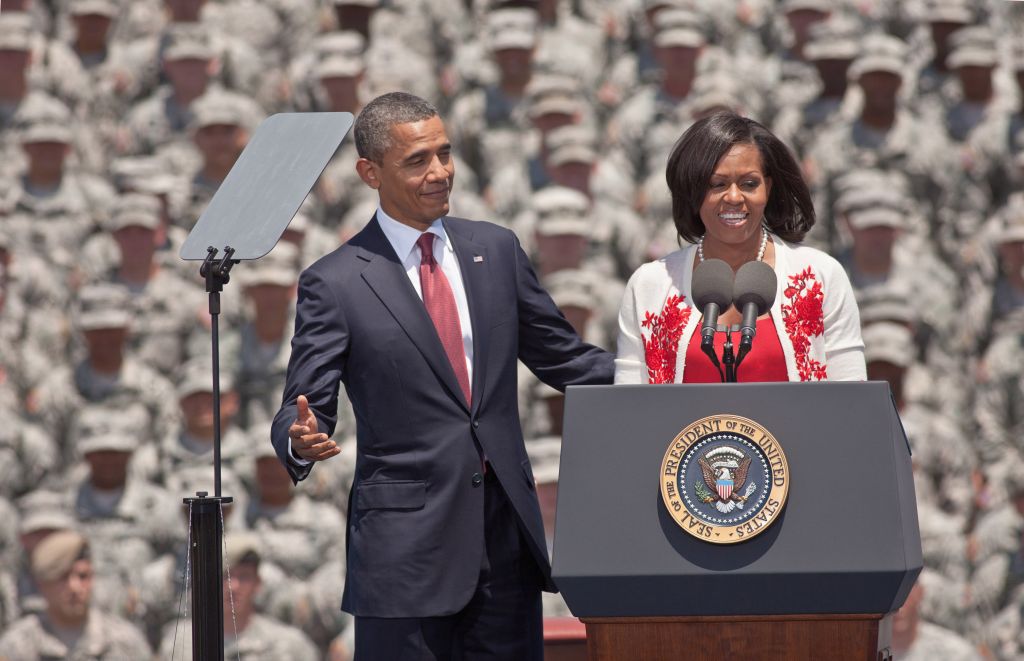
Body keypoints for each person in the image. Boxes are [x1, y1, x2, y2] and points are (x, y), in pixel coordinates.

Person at [270, 91, 613, 660]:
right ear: (369, 172)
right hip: (405, 559)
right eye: (417, 161)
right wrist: (298, 438)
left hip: (506, 545)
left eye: (445, 154)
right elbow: (305, 403)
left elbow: (566, 359)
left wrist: (669, 372)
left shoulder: (496, 250)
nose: (439, 173)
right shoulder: (334, 282)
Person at [615, 111, 865, 384]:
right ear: (692, 190)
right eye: (716, 184)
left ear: (767, 188)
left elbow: (850, 402)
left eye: (749, 184)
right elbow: (632, 410)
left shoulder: (821, 276)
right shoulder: (649, 286)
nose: (734, 197)